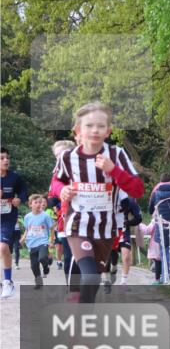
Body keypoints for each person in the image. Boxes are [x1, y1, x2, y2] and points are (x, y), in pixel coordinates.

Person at [56, 103, 144, 303]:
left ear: (108, 131)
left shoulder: (117, 155)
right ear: (78, 131)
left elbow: (137, 189)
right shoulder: (68, 157)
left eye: (100, 126)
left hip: (105, 229)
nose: (95, 130)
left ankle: (80, 312)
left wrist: (114, 170)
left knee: (93, 282)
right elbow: (56, 180)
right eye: (89, 126)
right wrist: (61, 190)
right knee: (90, 276)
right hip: (78, 224)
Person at [1, 147, 29, 298]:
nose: (6, 160)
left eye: (7, 157)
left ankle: (8, 282)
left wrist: (20, 198)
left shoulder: (14, 177)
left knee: (4, 247)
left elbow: (24, 190)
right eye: (2, 158)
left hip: (7, 217)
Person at [48, 139, 77, 277]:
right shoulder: (57, 175)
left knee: (84, 259)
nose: (59, 159)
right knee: (69, 257)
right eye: (56, 156)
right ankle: (71, 290)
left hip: (89, 220)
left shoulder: (84, 169)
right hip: (66, 220)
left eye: (62, 155)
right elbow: (51, 198)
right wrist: (59, 194)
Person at [21, 195, 55, 289]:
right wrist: (23, 238)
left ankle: (46, 266)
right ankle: (39, 282)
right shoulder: (27, 217)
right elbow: (27, 229)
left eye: (40, 202)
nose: (38, 204)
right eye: (36, 202)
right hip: (31, 243)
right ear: (30, 204)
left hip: (43, 241)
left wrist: (51, 241)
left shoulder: (45, 216)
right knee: (34, 266)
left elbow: (52, 228)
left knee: (42, 258)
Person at [111, 195, 142, 286]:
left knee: (126, 256)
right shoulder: (106, 197)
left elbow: (138, 218)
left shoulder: (130, 201)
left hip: (124, 232)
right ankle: (113, 268)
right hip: (110, 232)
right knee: (113, 256)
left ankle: (124, 282)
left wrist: (127, 223)